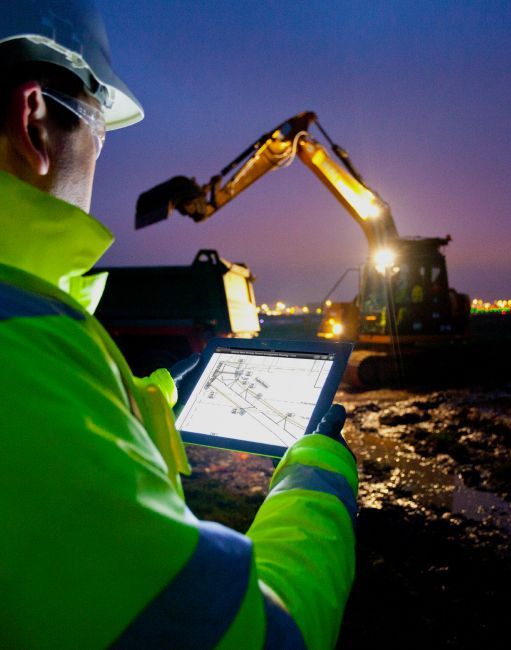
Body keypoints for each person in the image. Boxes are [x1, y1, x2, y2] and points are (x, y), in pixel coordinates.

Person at [0, 2, 358, 649]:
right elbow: (260, 637)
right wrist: (317, 471)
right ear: (34, 122)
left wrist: (143, 397)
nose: (99, 160)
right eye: (100, 133)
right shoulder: (20, 356)